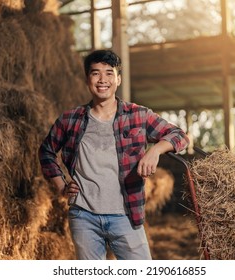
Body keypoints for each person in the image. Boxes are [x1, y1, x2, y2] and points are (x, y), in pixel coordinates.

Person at [38, 49, 189, 260]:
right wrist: (61, 185)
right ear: (87, 79)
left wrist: (155, 150)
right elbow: (46, 151)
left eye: (109, 73)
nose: (102, 79)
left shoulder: (138, 115)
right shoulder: (70, 119)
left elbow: (179, 136)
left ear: (118, 79)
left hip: (126, 215)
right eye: (95, 73)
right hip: (83, 216)